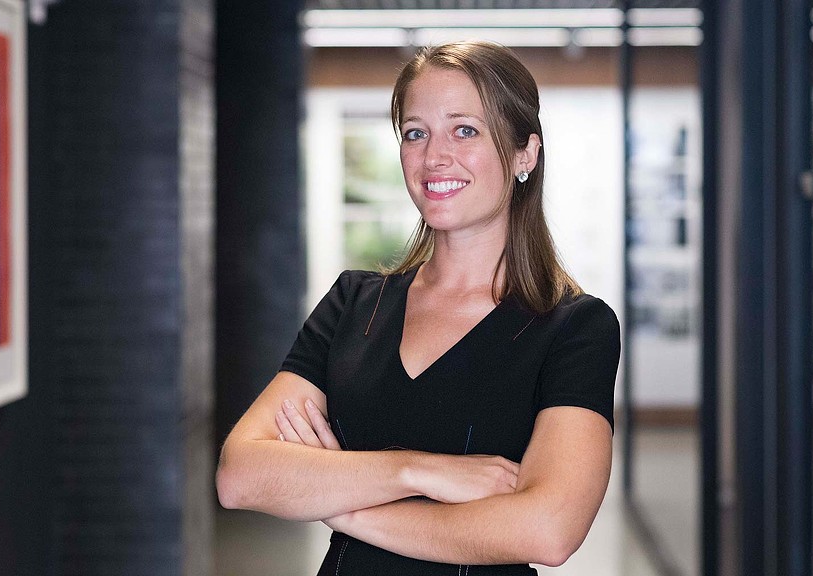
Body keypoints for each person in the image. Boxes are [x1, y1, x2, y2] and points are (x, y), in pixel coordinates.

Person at [215, 40, 621, 575]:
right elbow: (240, 476)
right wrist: (419, 472)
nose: (434, 156)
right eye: (415, 132)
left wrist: (339, 497)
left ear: (526, 153)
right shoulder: (353, 304)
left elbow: (548, 530)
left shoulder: (573, 327)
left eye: (465, 130)